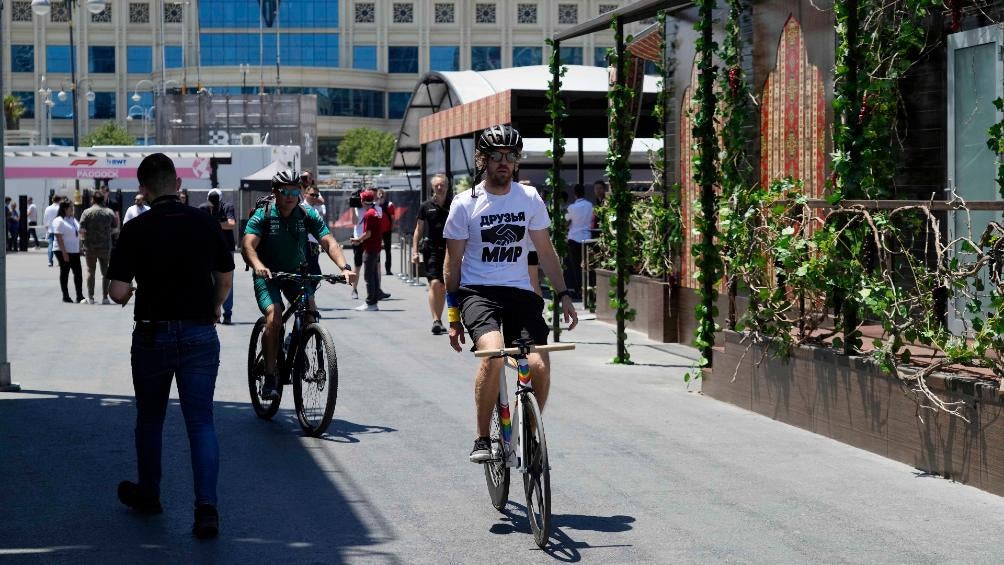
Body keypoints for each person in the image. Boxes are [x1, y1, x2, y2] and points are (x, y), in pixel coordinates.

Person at [108, 153, 234, 539]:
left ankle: (149, 495)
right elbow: (226, 276)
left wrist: (131, 290)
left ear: (142, 190)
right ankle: (206, 509)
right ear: (178, 184)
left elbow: (116, 292)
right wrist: (212, 305)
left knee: (150, 420)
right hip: (199, 333)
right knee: (201, 422)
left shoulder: (135, 228)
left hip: (152, 336)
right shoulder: (204, 222)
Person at [442, 124, 578, 462]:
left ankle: (531, 432)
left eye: (511, 156)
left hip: (519, 292)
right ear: (483, 160)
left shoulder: (529, 198)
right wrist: (453, 315)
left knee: (538, 364)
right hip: (477, 292)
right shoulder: (464, 203)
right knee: (494, 352)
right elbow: (452, 262)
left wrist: (563, 293)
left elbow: (546, 251)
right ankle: (481, 438)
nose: (505, 162)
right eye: (497, 156)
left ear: (517, 162)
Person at [241, 169, 356, 400]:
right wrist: (258, 265)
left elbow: (328, 240)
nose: (292, 196)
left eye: (296, 190)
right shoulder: (263, 215)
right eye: (286, 191)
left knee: (310, 314)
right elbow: (248, 246)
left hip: (296, 273)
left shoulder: (306, 214)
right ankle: (270, 374)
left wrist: (344, 268)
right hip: (268, 275)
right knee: (274, 316)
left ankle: (295, 343)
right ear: (275, 192)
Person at [412, 174, 450, 334]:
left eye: (442, 185)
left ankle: (440, 319)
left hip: (450, 249)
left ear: (447, 186)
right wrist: (414, 251)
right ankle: (436, 320)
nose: (439, 188)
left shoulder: (454, 204)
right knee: (434, 284)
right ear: (432, 187)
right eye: (437, 185)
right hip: (431, 250)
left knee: (443, 287)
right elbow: (418, 229)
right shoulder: (426, 206)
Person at [199, 189, 238, 324]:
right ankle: (214, 311)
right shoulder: (204, 207)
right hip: (209, 249)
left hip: (226, 248)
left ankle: (228, 313)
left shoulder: (227, 207)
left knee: (227, 282)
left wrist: (213, 224)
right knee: (210, 281)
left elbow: (231, 224)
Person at [79, 191, 119, 305]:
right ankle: (105, 297)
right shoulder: (109, 212)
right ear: (103, 200)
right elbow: (115, 228)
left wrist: (82, 243)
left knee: (90, 271)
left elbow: (82, 230)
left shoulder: (86, 212)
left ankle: (90, 297)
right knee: (105, 272)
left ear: (93, 199)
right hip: (105, 247)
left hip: (90, 247)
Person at [350, 190, 384, 312]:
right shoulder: (375, 212)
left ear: (363, 201)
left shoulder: (369, 214)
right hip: (376, 247)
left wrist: (358, 240)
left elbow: (368, 233)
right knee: (373, 275)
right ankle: (373, 301)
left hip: (370, 248)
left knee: (368, 276)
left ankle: (370, 302)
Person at [564, 184, 594, 299]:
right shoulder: (590, 205)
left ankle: (578, 291)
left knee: (576, 267)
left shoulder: (572, 207)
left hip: (574, 238)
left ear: (575, 194)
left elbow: (566, 222)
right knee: (587, 266)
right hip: (587, 238)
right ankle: (588, 289)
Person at [52, 200, 84, 304]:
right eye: (71, 207)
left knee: (78, 273)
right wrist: (64, 253)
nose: (73, 209)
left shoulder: (73, 219)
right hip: (63, 250)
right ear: (65, 209)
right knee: (65, 272)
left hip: (74, 251)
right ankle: (65, 296)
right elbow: (59, 237)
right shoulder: (59, 220)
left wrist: (80, 247)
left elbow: (79, 232)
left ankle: (79, 296)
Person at [303, 180, 327, 277]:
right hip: (306, 244)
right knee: (314, 274)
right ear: (305, 195)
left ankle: (308, 292)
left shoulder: (315, 210)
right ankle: (306, 291)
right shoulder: (302, 208)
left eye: (316, 196)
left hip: (314, 244)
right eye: (312, 195)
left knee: (314, 275)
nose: (314, 197)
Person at [376, 188, 396, 275]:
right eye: (379, 194)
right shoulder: (375, 205)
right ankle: (377, 269)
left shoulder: (389, 205)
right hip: (377, 231)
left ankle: (388, 269)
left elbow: (392, 218)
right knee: (377, 250)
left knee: (388, 250)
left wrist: (391, 228)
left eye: (382, 194)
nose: (381, 195)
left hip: (387, 230)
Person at [43, 195, 62, 267]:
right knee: (60, 246)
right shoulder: (60, 208)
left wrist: (46, 227)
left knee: (50, 245)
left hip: (51, 229)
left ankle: (50, 261)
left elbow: (45, 218)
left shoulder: (48, 208)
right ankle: (60, 261)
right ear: (59, 200)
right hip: (59, 229)